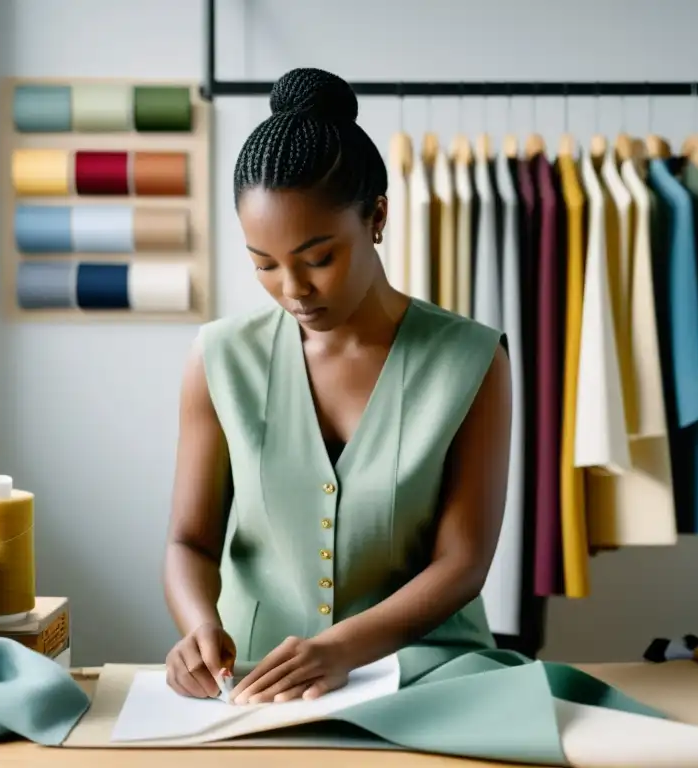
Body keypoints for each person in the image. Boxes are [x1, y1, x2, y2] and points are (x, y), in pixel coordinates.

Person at [162, 67, 513, 705]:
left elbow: (462, 564)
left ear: (377, 216)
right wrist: (199, 626)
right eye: (264, 264)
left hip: (428, 675)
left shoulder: (472, 358)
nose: (293, 289)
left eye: (319, 258)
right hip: (253, 687)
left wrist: (342, 649)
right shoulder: (217, 357)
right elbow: (190, 540)